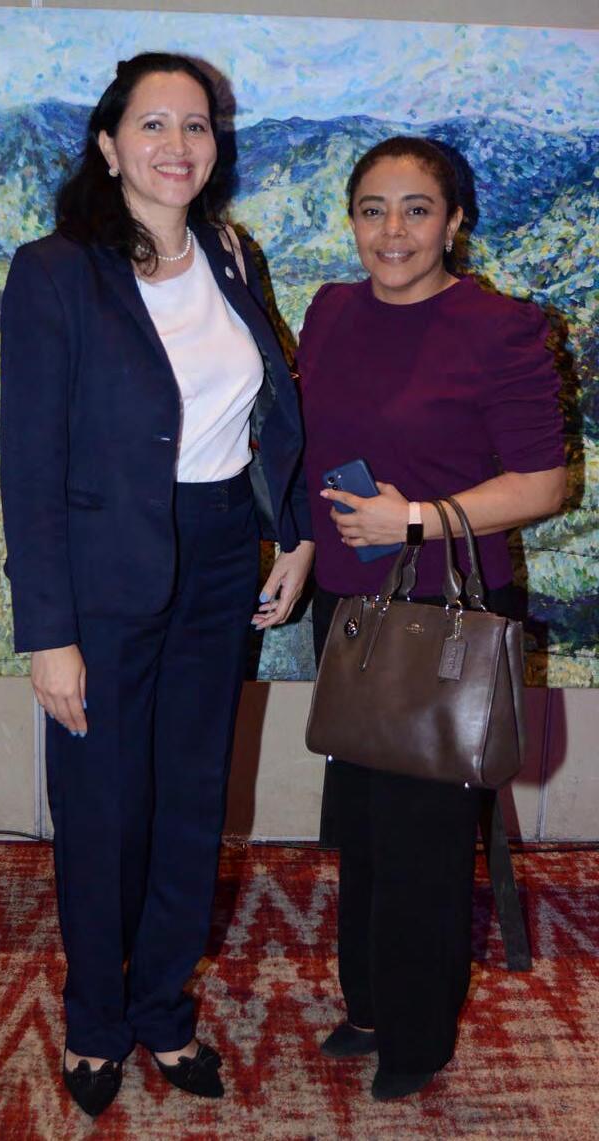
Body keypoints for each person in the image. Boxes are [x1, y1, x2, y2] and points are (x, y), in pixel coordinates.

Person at [0, 51, 313, 1116]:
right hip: (101, 572)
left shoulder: (229, 252)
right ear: (107, 144)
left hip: (219, 554)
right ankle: (96, 1019)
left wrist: (292, 533)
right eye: (152, 124)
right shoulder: (55, 271)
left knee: (189, 797)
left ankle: (165, 1009)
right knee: (101, 807)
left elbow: (270, 405)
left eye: (197, 125)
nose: (177, 144)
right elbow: (29, 464)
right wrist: (48, 631)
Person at [297, 136, 565, 1101]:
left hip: (447, 611)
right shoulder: (330, 311)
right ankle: (369, 1003)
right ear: (352, 220)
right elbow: (315, 452)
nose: (393, 231)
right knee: (364, 825)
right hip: (350, 602)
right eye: (373, 209)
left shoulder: (501, 328)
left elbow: (542, 483)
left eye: (417, 209)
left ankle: (416, 1036)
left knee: (425, 839)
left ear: (454, 221)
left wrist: (414, 518)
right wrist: (301, 547)